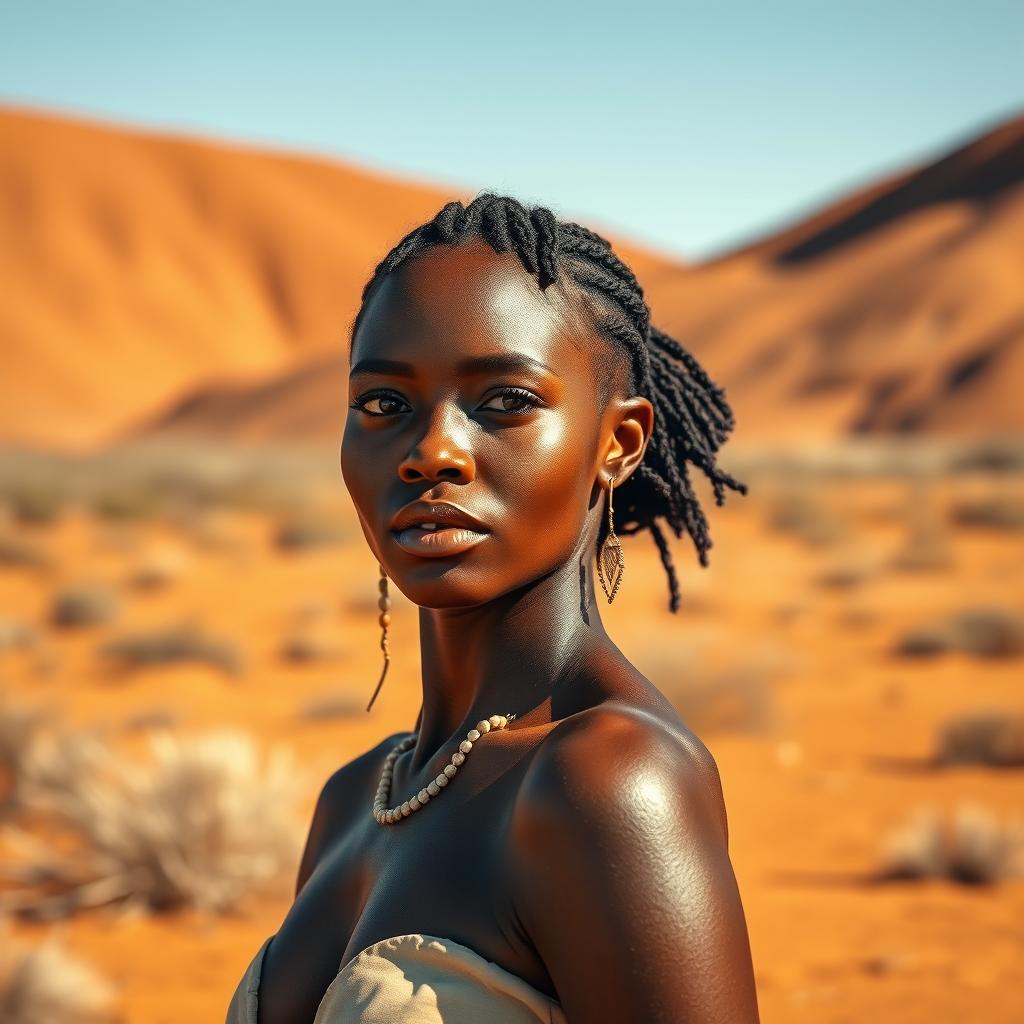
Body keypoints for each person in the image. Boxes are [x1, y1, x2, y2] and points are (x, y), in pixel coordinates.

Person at [226, 193, 760, 1023]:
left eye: (504, 400)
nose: (430, 451)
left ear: (618, 444)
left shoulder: (608, 784)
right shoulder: (357, 795)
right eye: (383, 404)